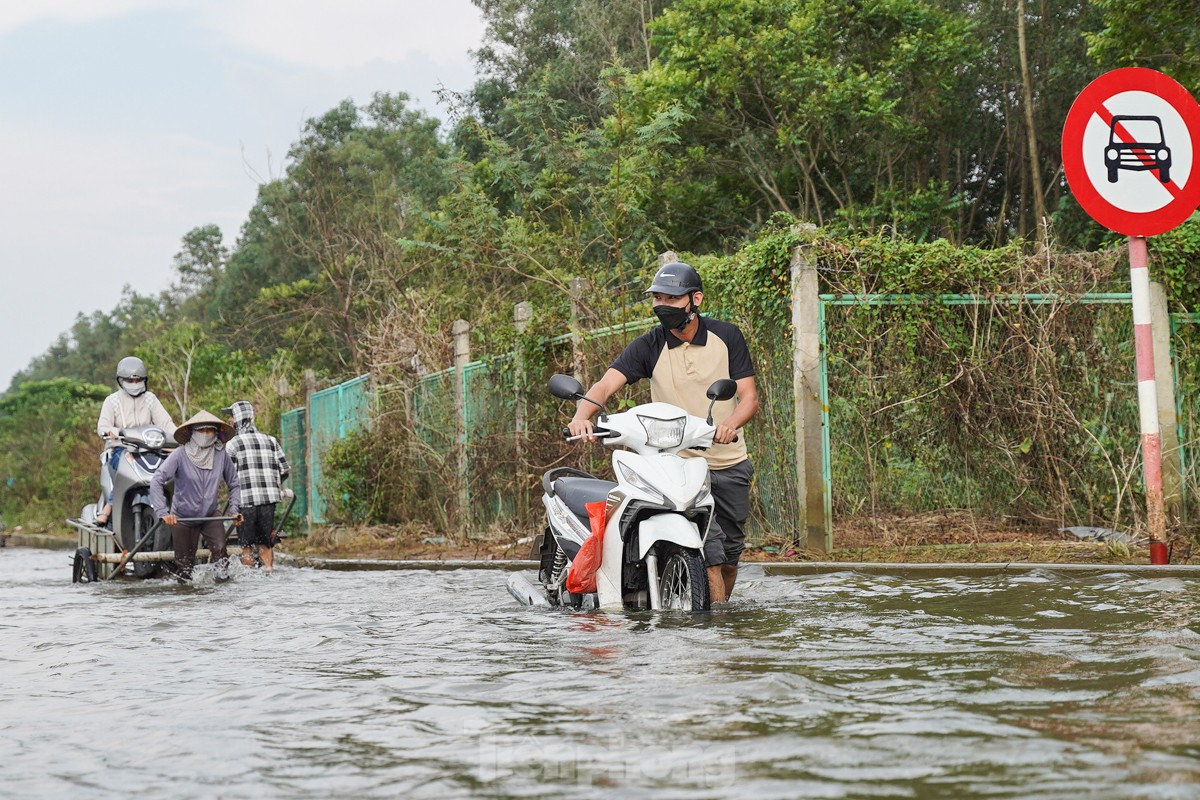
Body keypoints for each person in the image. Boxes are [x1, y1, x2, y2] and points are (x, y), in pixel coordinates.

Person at [566, 261, 760, 604]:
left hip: (728, 461)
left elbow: (749, 398)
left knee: (729, 558)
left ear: (695, 299)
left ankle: (716, 613)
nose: (662, 305)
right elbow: (605, 385)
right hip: (677, 465)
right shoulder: (649, 345)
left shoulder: (727, 337)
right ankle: (713, 627)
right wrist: (582, 415)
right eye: (658, 298)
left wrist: (730, 424)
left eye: (671, 298)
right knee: (711, 556)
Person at [149, 410, 242, 581]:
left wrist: (234, 509)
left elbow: (234, 483)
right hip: (183, 517)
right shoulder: (180, 454)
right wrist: (163, 512)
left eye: (210, 430)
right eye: (202, 430)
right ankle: (186, 594)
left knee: (221, 552)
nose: (206, 434)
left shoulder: (221, 455)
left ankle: (221, 591)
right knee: (184, 566)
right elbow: (157, 480)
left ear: (216, 433)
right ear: (192, 433)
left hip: (210, 514)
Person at [95, 356, 177, 527]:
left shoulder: (150, 399)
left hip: (150, 450)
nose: (134, 383)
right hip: (122, 449)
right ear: (120, 380)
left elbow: (166, 423)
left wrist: (179, 436)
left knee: (174, 468)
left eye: (138, 380)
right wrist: (110, 431)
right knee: (122, 472)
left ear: (144, 380)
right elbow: (103, 425)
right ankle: (109, 506)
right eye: (129, 380)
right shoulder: (112, 401)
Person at [222, 400, 291, 574]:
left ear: (239, 418)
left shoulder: (233, 444)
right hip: (268, 501)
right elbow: (284, 469)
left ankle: (250, 578)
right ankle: (269, 570)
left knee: (246, 545)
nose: (230, 420)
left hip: (245, 501)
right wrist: (272, 486)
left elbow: (228, 475)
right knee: (265, 542)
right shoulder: (271, 440)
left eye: (231, 416)